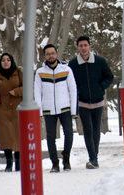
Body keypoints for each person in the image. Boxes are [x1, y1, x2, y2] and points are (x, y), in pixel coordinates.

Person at [68, 35, 114, 169]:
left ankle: (94, 157)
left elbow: (109, 76)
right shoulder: (73, 64)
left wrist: (101, 87)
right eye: (80, 45)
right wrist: (78, 92)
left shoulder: (100, 61)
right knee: (88, 130)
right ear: (77, 47)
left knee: (96, 130)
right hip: (82, 102)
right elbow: (70, 82)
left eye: (85, 45)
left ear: (89, 46)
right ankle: (93, 158)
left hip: (98, 101)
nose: (83, 48)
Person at [34, 44, 77, 172]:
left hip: (65, 108)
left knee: (69, 134)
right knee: (50, 137)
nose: (50, 56)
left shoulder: (66, 69)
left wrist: (74, 110)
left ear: (57, 54)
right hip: (48, 110)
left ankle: (66, 158)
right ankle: (55, 163)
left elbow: (73, 90)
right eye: (48, 54)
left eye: (53, 53)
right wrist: (39, 111)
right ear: (44, 56)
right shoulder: (40, 72)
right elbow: (37, 92)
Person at [0, 53, 23, 172]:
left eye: (8, 60)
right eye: (3, 60)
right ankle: (9, 164)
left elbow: (27, 87)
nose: (6, 62)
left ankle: (19, 163)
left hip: (17, 109)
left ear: (12, 61)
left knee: (18, 136)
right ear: (0, 63)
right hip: (3, 110)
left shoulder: (18, 72)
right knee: (6, 137)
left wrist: (17, 91)